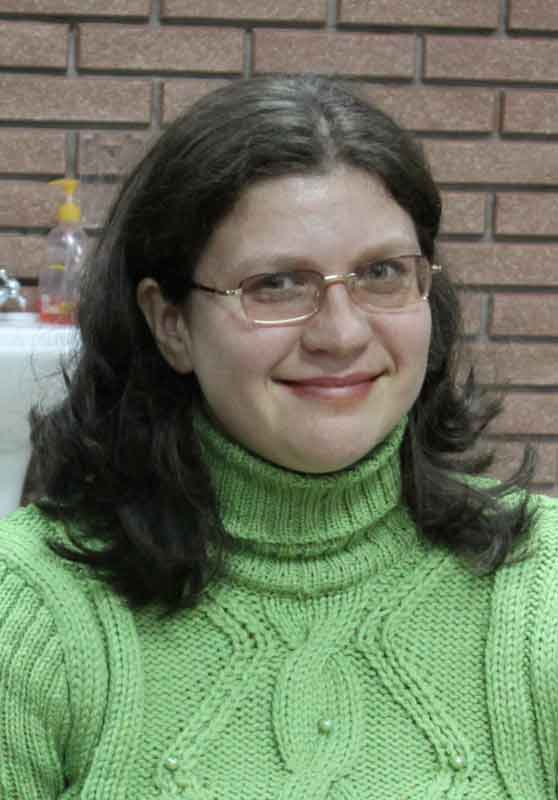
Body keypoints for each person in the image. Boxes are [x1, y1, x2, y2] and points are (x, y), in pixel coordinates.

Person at [0, 74, 556, 799]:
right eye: (276, 284)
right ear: (171, 323)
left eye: (382, 272)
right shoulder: (29, 609)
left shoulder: (541, 589)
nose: (341, 334)